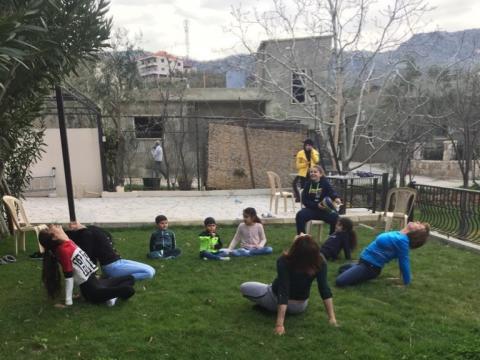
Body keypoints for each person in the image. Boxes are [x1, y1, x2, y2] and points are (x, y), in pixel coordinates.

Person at [240, 234, 337, 335]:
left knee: (244, 287)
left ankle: (269, 307)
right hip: (300, 306)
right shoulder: (319, 260)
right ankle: (271, 307)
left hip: (275, 298)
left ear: (296, 247)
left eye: (301, 236)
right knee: (271, 288)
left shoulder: (284, 260)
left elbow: (283, 291)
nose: (301, 233)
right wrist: (332, 318)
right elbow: (324, 288)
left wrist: (279, 325)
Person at [39, 225, 135, 307]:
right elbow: (69, 277)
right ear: (54, 237)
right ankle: (111, 297)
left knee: (130, 278)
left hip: (98, 283)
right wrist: (68, 302)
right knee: (129, 290)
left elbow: (81, 270)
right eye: (50, 229)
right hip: (93, 292)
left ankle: (112, 297)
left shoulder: (68, 243)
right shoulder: (63, 251)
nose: (56, 226)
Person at [335, 221, 430, 287]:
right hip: (363, 261)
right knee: (341, 269)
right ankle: (359, 273)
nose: (417, 222)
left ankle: (364, 275)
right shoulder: (399, 233)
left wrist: (406, 281)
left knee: (340, 282)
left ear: (416, 232)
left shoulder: (403, 241)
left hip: (370, 267)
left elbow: (404, 261)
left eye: (419, 225)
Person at [66, 222, 155, 281]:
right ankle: (116, 279)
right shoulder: (87, 235)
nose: (72, 225)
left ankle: (115, 277)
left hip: (120, 261)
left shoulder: (90, 229)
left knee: (151, 270)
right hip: (112, 267)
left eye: (73, 225)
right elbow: (89, 257)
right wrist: (94, 275)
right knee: (149, 273)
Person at [295, 165, 342, 235]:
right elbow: (305, 200)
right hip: (311, 209)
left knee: (335, 217)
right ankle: (302, 236)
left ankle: (332, 237)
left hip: (324, 210)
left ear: (320, 174)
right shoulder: (307, 184)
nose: (313, 173)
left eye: (315, 172)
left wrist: (336, 198)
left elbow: (331, 192)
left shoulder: (325, 183)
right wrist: (316, 205)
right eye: (311, 172)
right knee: (300, 215)